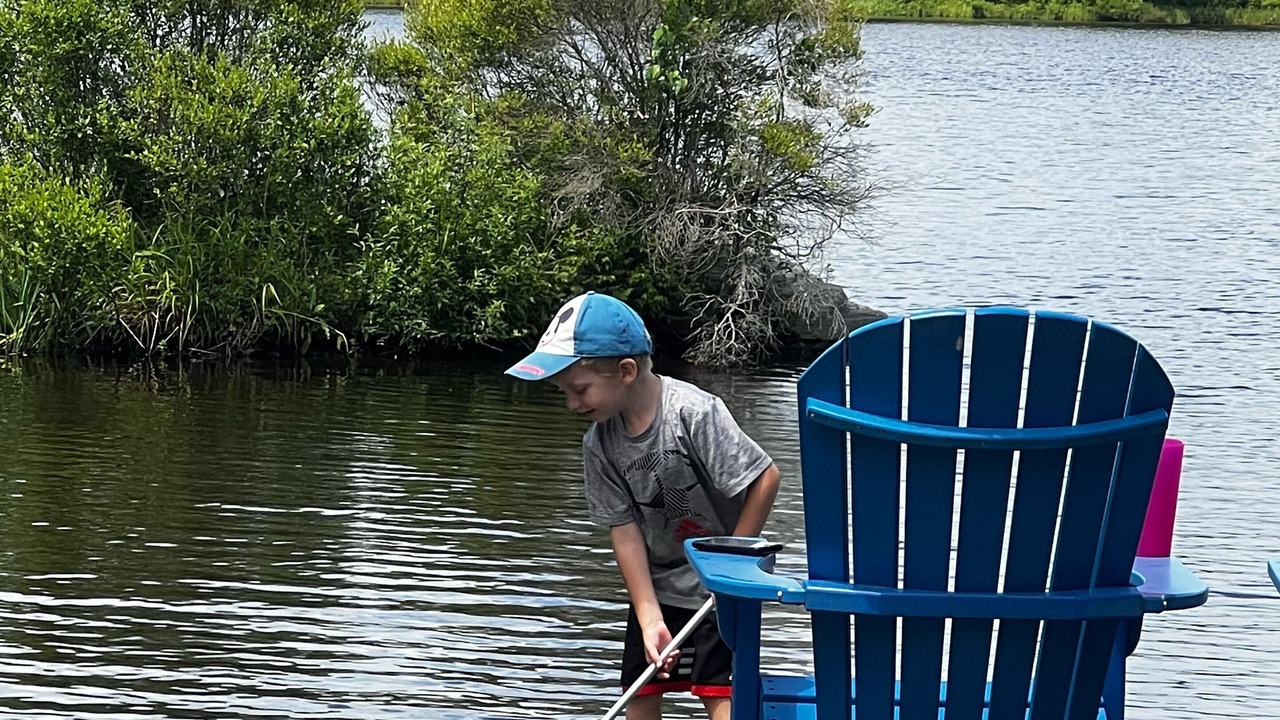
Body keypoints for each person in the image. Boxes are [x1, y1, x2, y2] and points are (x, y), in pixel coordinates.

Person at [506, 291, 781, 720]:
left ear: (626, 371)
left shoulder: (692, 412)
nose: (572, 404)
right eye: (565, 393)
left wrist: (731, 570)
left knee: (720, 691)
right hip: (658, 586)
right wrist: (649, 613)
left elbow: (765, 478)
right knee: (641, 689)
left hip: (721, 586)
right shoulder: (599, 443)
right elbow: (624, 529)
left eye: (579, 389)